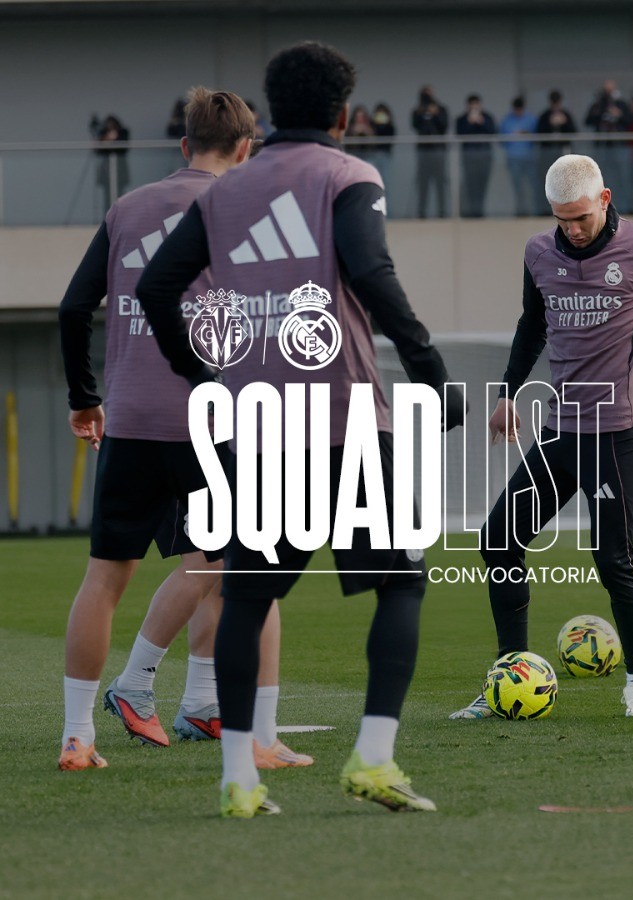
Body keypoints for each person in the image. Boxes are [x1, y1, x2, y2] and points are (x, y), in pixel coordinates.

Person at [138, 41, 465, 818]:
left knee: (247, 596)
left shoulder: (225, 192)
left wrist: (203, 375)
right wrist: (430, 370)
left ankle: (238, 779)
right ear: (344, 115)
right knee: (401, 582)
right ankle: (373, 760)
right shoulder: (346, 175)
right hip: (344, 419)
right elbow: (372, 271)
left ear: (270, 115)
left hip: (258, 430)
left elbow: (156, 286)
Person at [55, 86, 309, 774]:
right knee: (253, 568)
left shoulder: (127, 208)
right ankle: (252, 731)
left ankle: (81, 735)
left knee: (108, 578)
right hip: (217, 422)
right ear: (247, 147)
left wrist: (85, 398)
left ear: (183, 143)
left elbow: (73, 308)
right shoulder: (251, 208)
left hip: (131, 419)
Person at [451, 154, 633, 721]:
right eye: (562, 219)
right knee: (498, 538)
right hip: (562, 428)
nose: (573, 229)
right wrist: (508, 392)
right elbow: (532, 325)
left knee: (612, 558)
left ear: (605, 199)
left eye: (581, 217)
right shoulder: (538, 252)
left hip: (620, 429)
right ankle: (510, 674)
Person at [584, 80, 630, 202]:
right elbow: (588, 121)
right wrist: (600, 112)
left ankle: (624, 204)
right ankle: (601, 203)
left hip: (619, 145)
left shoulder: (621, 104)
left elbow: (630, 121)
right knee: (600, 176)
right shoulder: (598, 105)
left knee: (622, 176)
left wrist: (619, 115)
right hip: (602, 146)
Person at [535, 91, 578, 216]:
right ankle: (545, 210)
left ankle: (565, 210)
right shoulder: (545, 116)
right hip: (547, 155)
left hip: (563, 154)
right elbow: (539, 132)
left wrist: (564, 123)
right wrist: (550, 123)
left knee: (565, 183)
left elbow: (574, 131)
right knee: (547, 182)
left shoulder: (566, 115)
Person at [456, 94, 497, 218]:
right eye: (472, 105)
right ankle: (472, 212)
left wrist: (481, 122)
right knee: (471, 185)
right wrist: (469, 122)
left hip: (485, 157)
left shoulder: (487, 117)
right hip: (469, 157)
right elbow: (460, 133)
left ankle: (480, 211)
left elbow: (492, 131)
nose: (474, 107)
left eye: (476, 104)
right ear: (468, 106)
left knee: (482, 185)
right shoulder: (462, 119)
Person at [412, 86, 449, 217]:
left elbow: (444, 126)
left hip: (438, 151)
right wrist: (421, 113)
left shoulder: (441, 109)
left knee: (440, 182)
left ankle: (442, 211)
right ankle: (421, 212)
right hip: (423, 152)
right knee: (423, 183)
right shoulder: (418, 110)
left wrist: (436, 113)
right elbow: (415, 125)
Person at [501, 96, 538, 216]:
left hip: (529, 157)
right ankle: (520, 211)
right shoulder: (507, 120)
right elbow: (501, 140)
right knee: (517, 187)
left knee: (532, 185)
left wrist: (526, 133)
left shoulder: (531, 119)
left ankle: (534, 211)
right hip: (513, 158)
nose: (518, 112)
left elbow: (537, 137)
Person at [94, 115, 131, 213]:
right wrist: (107, 139)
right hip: (107, 170)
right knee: (107, 198)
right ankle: (108, 216)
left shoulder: (123, 132)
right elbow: (98, 150)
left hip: (119, 169)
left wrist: (115, 139)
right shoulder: (103, 133)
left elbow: (124, 148)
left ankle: (119, 216)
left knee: (120, 197)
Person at [369, 102, 397, 187]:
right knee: (372, 177)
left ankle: (386, 195)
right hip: (373, 154)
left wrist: (385, 125)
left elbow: (390, 139)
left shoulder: (390, 126)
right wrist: (374, 125)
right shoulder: (371, 126)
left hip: (385, 154)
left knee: (385, 178)